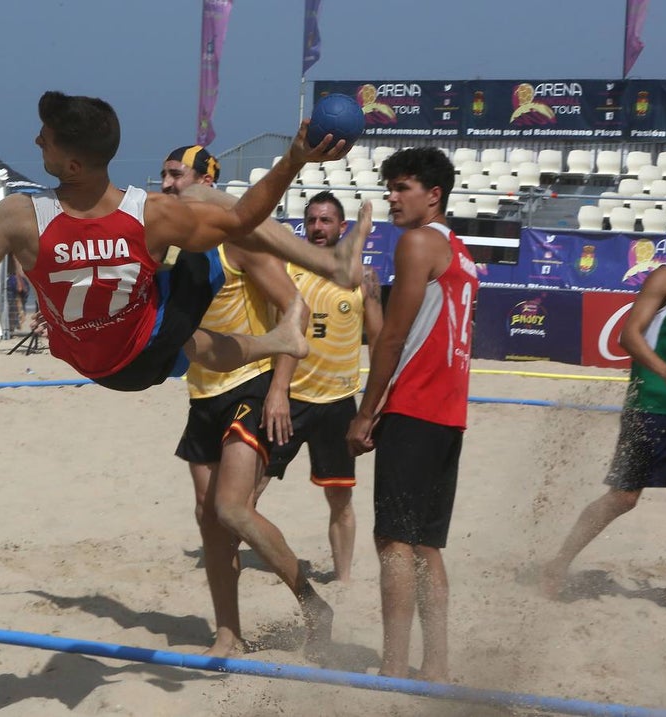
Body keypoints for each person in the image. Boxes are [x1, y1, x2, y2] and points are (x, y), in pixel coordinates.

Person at [0, 91, 363, 389]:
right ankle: (325, 265)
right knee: (211, 208)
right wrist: (293, 159)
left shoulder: (18, 219)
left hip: (97, 364)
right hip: (142, 346)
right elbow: (244, 218)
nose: (36, 142)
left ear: (71, 162)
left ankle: (279, 338)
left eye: (45, 141)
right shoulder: (152, 215)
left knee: (190, 342)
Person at [542, 200, 666, 623]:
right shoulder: (665, 278)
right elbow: (627, 336)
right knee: (623, 498)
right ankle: (558, 562)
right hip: (651, 407)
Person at [163, 145, 324, 657]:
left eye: (175, 174)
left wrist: (280, 387)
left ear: (205, 180)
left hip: (252, 382)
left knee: (232, 509)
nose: (166, 183)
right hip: (203, 388)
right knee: (208, 520)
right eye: (164, 175)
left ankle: (313, 602)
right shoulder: (169, 242)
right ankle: (228, 633)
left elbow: (296, 308)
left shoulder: (237, 238)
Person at [346, 147, 478, 681]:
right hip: (449, 411)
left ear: (434, 194)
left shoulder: (418, 242)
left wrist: (365, 411)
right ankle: (437, 665)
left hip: (416, 406)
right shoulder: (462, 251)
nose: (392, 198)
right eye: (390, 188)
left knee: (394, 540)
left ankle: (395, 665)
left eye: (402, 188)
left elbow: (393, 338)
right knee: (425, 543)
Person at [265, 191, 383, 583]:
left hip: (337, 403)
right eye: (312, 220)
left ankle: (344, 579)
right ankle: (237, 555)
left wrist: (375, 402)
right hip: (289, 398)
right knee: (247, 489)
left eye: (326, 220)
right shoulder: (287, 271)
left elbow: (379, 340)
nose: (317, 227)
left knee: (340, 499)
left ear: (341, 228)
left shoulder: (362, 278)